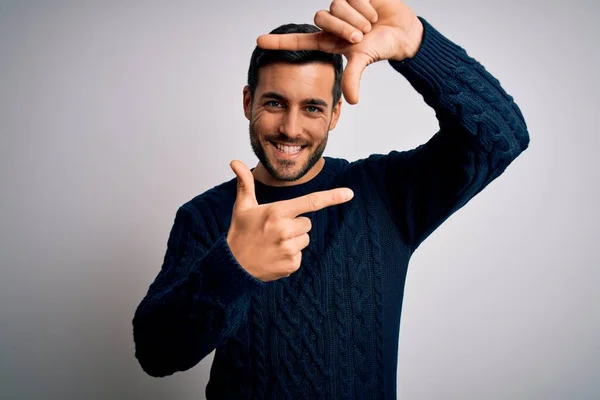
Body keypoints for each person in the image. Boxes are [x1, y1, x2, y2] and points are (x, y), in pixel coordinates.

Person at [132, 0, 530, 398]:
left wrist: (419, 46)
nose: (291, 128)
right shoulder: (203, 217)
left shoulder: (383, 195)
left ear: (335, 113)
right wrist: (233, 269)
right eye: (274, 103)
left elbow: (502, 140)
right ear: (247, 102)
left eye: (312, 108)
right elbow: (156, 355)